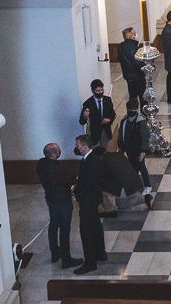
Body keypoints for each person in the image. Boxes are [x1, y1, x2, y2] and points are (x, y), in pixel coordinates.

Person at [36, 143, 82, 268]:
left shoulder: (41, 163)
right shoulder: (56, 168)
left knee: (53, 225)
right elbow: (68, 179)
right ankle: (66, 259)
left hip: (51, 199)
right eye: (58, 149)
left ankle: (55, 253)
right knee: (65, 229)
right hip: (62, 201)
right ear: (55, 153)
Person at [72, 135, 106, 274]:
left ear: (86, 147)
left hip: (89, 201)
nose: (76, 148)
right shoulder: (90, 158)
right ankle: (100, 253)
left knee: (86, 231)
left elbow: (89, 184)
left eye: (78, 146)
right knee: (96, 226)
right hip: (93, 199)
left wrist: (77, 195)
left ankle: (90, 262)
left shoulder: (92, 161)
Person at [117, 99, 152, 209]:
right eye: (129, 109)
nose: (131, 111)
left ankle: (147, 186)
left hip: (138, 149)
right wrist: (121, 150)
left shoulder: (141, 121)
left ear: (137, 109)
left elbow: (145, 136)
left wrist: (143, 151)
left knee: (142, 167)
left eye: (133, 109)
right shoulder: (124, 121)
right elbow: (121, 135)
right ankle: (135, 186)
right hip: (128, 149)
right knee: (132, 168)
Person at [79, 79, 116, 147]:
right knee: (95, 153)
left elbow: (113, 114)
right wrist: (84, 116)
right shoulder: (88, 103)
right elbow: (81, 121)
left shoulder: (107, 100)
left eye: (102, 90)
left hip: (105, 132)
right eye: (98, 91)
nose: (101, 92)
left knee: (104, 152)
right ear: (93, 91)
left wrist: (109, 120)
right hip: (94, 134)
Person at [118, 27, 145, 108]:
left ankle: (133, 112)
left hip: (128, 75)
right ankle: (144, 114)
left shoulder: (121, 46)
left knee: (132, 95)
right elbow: (135, 59)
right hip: (137, 75)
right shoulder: (131, 46)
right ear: (129, 35)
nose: (135, 34)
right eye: (134, 33)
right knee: (142, 96)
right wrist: (144, 66)